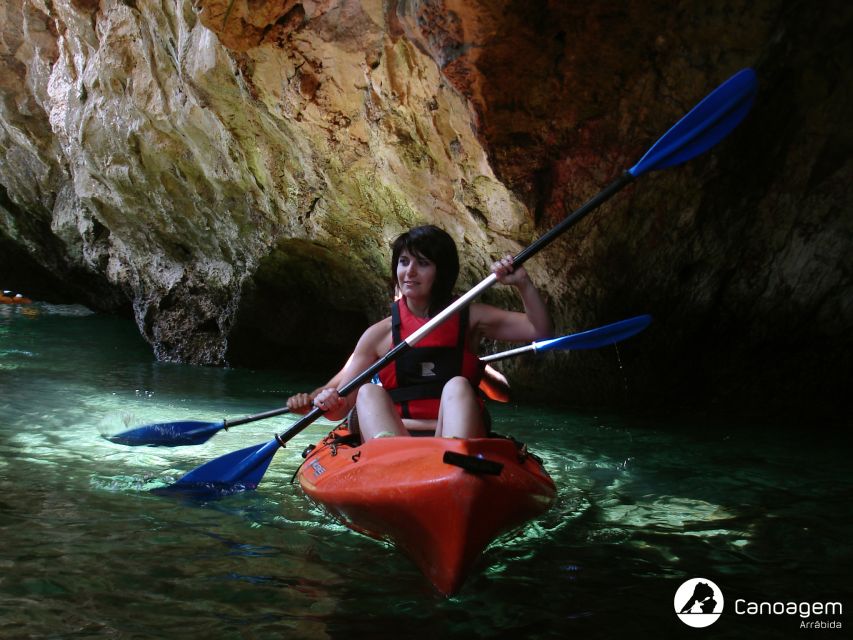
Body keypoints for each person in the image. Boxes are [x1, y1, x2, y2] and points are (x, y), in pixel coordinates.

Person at [286, 225, 553, 439]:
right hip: (397, 436)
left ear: (442, 272)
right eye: (403, 262)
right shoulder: (378, 335)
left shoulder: (471, 317)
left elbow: (539, 331)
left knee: (458, 385)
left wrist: (523, 284)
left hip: (453, 435)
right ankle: (393, 466)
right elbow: (339, 410)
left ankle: (452, 466)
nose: (409, 272)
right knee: (367, 392)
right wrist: (325, 401)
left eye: (423, 263)